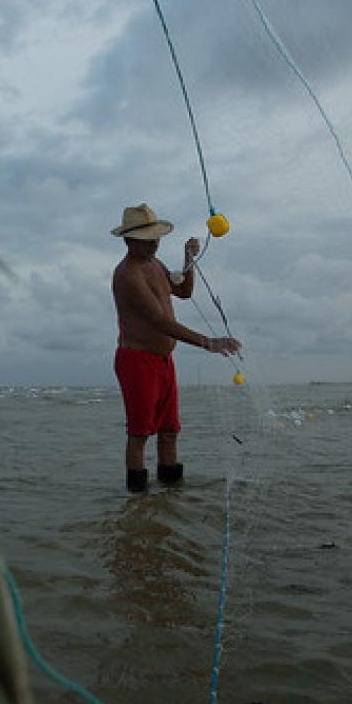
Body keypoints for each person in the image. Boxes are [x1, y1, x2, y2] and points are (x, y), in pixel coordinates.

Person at [111, 203, 241, 492]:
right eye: (147, 239)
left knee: (170, 431)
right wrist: (208, 342)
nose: (154, 244)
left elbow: (184, 291)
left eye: (156, 238)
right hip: (137, 361)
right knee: (140, 434)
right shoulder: (128, 275)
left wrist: (188, 259)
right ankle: (139, 503)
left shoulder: (155, 265)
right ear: (128, 240)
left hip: (164, 360)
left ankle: (171, 497)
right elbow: (159, 321)